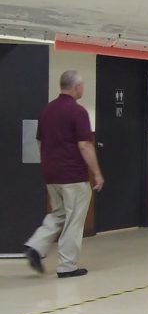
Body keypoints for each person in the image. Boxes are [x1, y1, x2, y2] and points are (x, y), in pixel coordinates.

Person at [24, 69, 104, 278]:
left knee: (58, 213)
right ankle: (67, 266)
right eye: (82, 86)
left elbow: (40, 142)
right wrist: (97, 173)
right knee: (74, 219)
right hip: (73, 175)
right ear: (76, 87)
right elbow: (85, 145)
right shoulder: (78, 112)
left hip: (51, 174)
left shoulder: (47, 110)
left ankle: (35, 246)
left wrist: (48, 164)